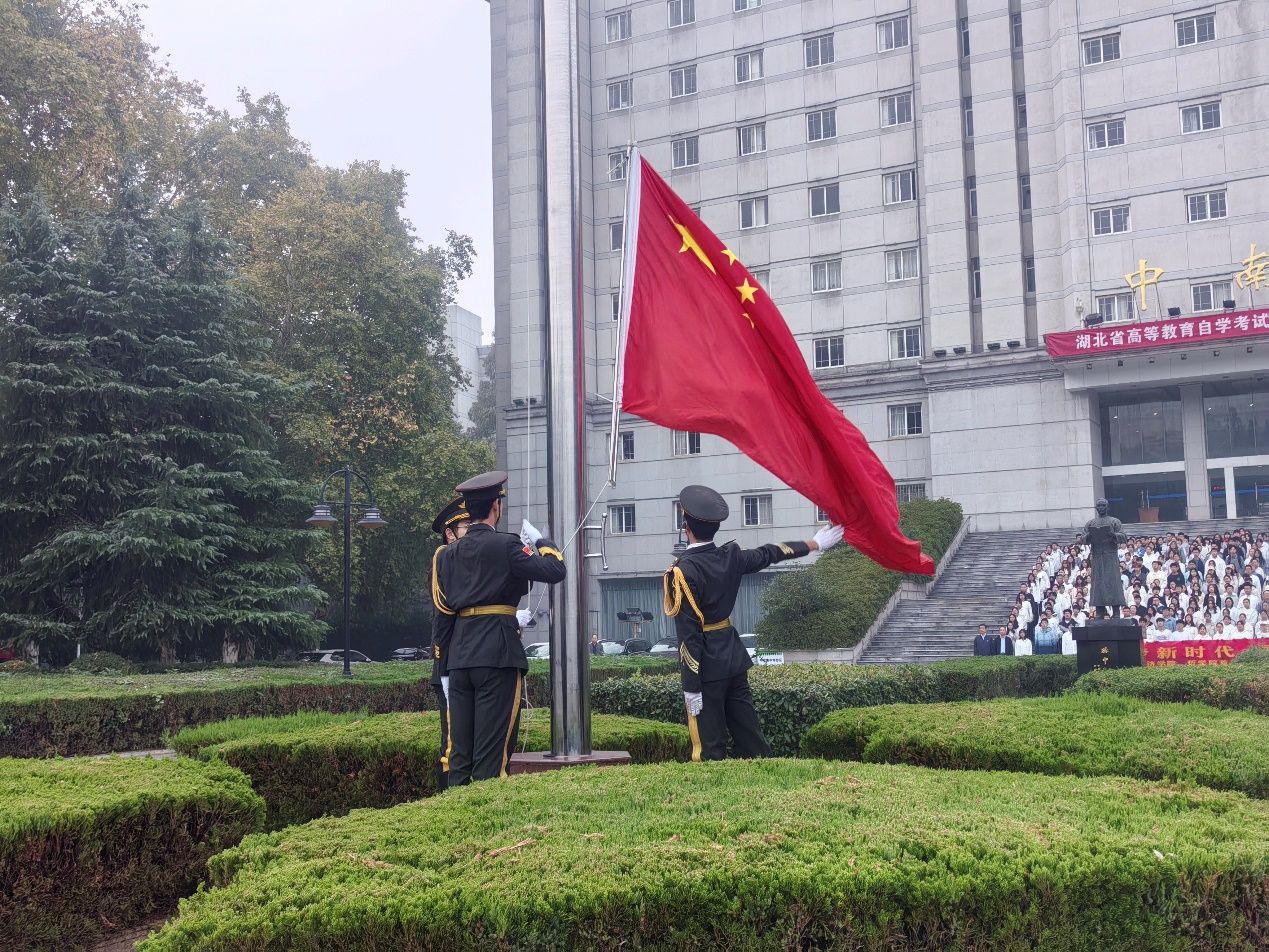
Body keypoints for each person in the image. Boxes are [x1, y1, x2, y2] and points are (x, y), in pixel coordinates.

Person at [665, 485, 842, 761]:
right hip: (734, 659)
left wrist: (691, 686)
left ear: (685, 526)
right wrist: (814, 543)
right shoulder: (731, 556)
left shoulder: (681, 572)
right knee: (751, 741)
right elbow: (770, 553)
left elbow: (689, 636)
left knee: (709, 749)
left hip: (706, 669)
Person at [432, 470, 567, 786]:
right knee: (491, 759)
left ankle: (455, 811)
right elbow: (555, 569)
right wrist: (541, 542)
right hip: (497, 655)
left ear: (470, 510)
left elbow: (444, 615)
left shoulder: (447, 555)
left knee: (460, 757)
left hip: (460, 659)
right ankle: (485, 814)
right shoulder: (507, 545)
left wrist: (444, 667)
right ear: (496, 506)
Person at [427, 496, 470, 792]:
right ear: (450, 533)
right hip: (449, 660)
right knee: (453, 740)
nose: (472, 530)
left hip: (466, 658)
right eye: (466, 526)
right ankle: (448, 794)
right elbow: (444, 611)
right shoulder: (444, 557)